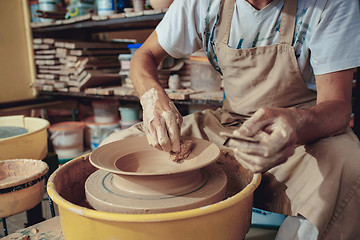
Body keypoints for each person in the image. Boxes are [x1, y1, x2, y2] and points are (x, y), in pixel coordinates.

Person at [102, 0, 360, 239]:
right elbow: (143, 56)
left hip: (300, 134)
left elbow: (338, 106)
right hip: (228, 123)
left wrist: (298, 124)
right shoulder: (204, 3)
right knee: (116, 146)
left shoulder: (330, 3)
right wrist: (153, 99)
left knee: (350, 168)